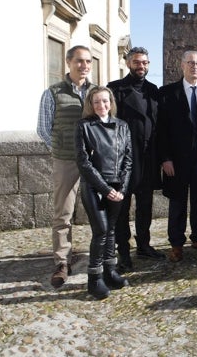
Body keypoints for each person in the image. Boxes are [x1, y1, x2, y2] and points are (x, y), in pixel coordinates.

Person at [37, 45, 95, 288]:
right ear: (68, 63)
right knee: (63, 214)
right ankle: (62, 261)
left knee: (98, 211)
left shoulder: (96, 92)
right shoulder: (53, 92)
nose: (84, 66)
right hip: (66, 161)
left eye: (88, 61)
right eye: (79, 61)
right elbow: (43, 129)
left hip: (94, 162)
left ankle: (101, 257)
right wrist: (63, 150)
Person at [157, 51, 197, 262]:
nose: (195, 66)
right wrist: (165, 158)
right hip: (176, 159)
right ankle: (176, 243)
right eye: (191, 63)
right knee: (177, 202)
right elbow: (161, 129)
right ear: (182, 65)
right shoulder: (166, 92)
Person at [107, 46, 164, 272]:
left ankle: (144, 245)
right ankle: (123, 252)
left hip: (148, 157)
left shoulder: (153, 90)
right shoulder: (115, 89)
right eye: (137, 62)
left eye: (145, 63)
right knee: (122, 208)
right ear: (129, 63)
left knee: (145, 205)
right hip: (124, 159)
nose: (141, 66)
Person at [75, 86, 132, 300]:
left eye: (105, 101)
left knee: (111, 231)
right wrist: (106, 189)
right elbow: (84, 162)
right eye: (97, 102)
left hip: (117, 187)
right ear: (90, 104)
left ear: (111, 102)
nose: (102, 106)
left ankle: (110, 271)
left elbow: (128, 160)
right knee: (101, 230)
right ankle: (94, 278)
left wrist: (122, 189)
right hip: (94, 187)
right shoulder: (84, 126)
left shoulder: (122, 126)